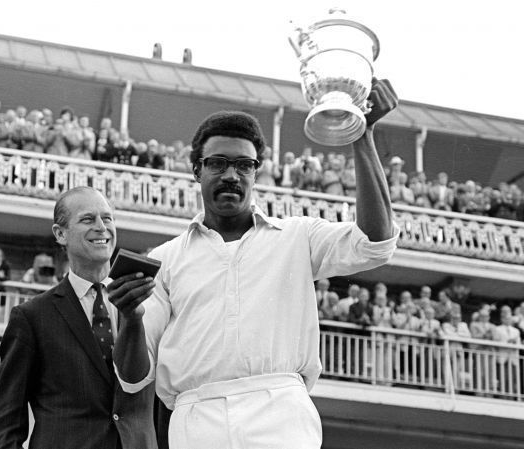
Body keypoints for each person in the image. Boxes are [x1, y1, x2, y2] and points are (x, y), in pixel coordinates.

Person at [112, 79, 399, 448]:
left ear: (256, 172)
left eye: (243, 165)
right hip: (196, 417)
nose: (231, 175)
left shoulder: (297, 237)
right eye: (217, 163)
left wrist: (363, 135)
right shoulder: (164, 260)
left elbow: (376, 243)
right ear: (196, 170)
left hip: (280, 411)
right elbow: (133, 377)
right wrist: (131, 318)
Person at [0, 187, 157, 449]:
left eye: (108, 218)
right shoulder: (31, 317)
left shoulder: (147, 303)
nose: (102, 227)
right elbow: (6, 419)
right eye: (88, 219)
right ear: (60, 233)